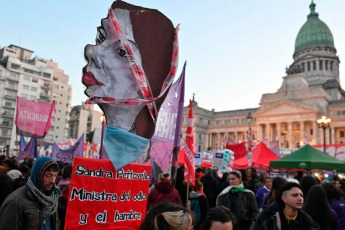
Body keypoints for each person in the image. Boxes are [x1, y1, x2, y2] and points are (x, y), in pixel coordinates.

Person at [0, 156, 62, 230]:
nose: (53, 181)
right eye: (48, 175)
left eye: (55, 175)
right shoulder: (15, 202)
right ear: (37, 175)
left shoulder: (52, 199)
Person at [250, 182, 320, 230]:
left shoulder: (307, 220)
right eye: (295, 195)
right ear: (284, 198)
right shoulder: (266, 217)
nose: (300, 199)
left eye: (301, 195)